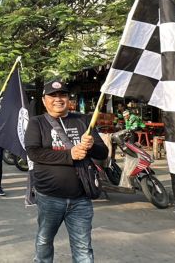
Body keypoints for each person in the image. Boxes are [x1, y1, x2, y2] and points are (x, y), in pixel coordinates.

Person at [24, 80, 108, 263]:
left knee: (83, 247)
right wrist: (70, 155)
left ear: (68, 98)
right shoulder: (36, 123)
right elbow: (34, 152)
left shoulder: (83, 120)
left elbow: (103, 153)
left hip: (81, 198)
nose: (58, 99)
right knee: (44, 241)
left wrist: (92, 146)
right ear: (44, 100)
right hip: (49, 197)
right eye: (52, 96)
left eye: (62, 95)